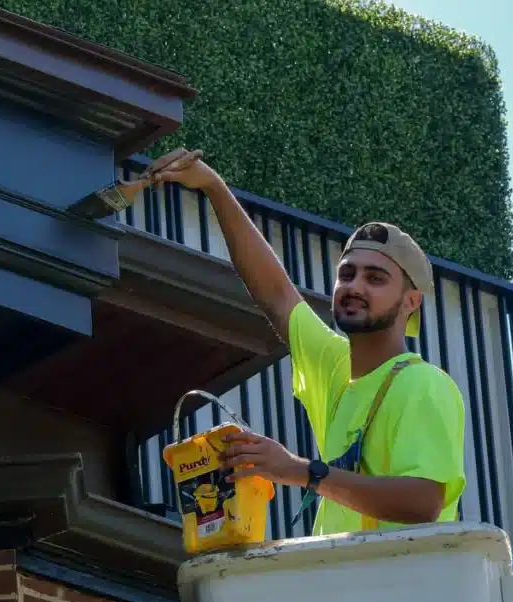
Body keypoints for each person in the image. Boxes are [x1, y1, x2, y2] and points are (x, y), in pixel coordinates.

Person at [145, 148, 467, 534]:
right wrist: (212, 185)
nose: (355, 287)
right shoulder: (336, 368)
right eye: (347, 274)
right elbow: (277, 294)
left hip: (400, 589)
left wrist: (300, 471)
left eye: (376, 279)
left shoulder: (423, 385)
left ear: (410, 302)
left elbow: (423, 502)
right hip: (345, 585)